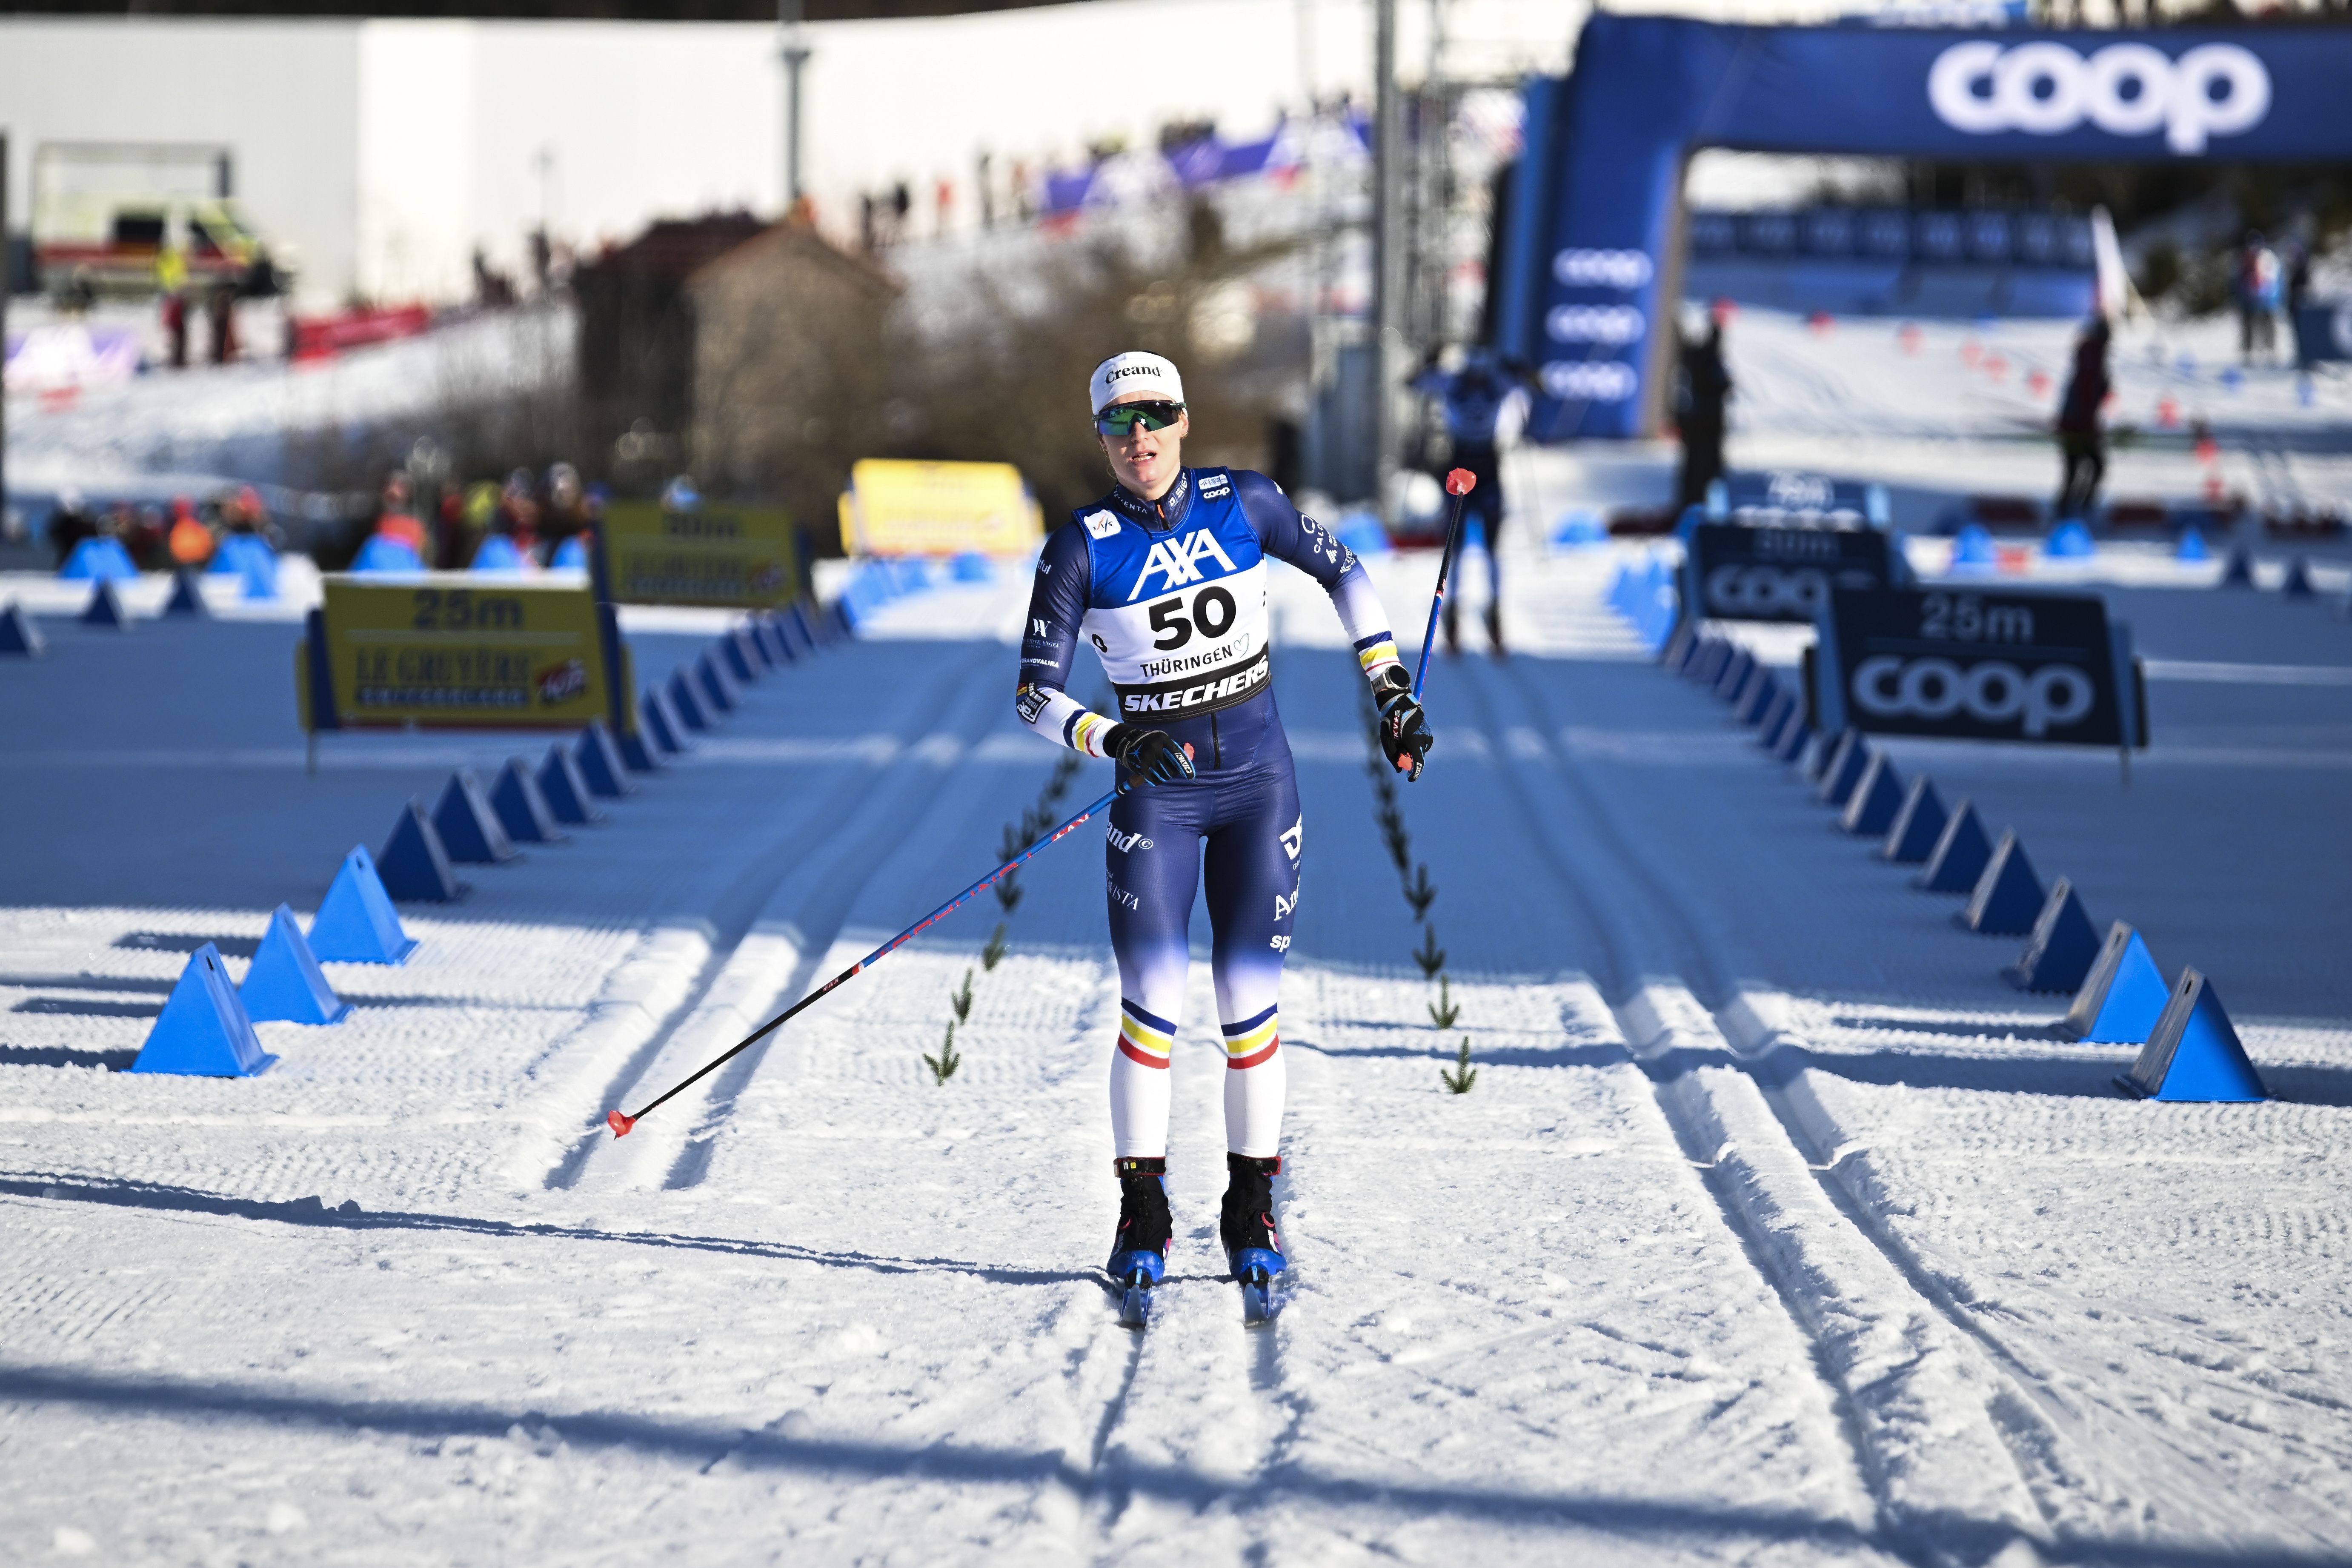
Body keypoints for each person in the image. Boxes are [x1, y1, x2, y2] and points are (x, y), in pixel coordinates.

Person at [1016, 351, 1433, 1308]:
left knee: (1251, 1013)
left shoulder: (1245, 500)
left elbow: (1346, 573)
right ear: (1102, 440)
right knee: (1152, 1008)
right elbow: (1034, 695)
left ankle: (1252, 1205)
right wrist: (1113, 738)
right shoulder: (1081, 544)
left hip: (1258, 788)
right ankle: (1141, 1211)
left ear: (1184, 419)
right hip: (1158, 798)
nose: (1140, 441)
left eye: (1155, 418)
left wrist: (1391, 690)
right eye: (1119, 426)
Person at [1408, 348, 1530, 657]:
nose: (1476, 383)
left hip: (1488, 468)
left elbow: (1536, 387)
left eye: (1480, 377)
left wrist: (1521, 370)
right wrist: (1427, 363)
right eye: (1471, 377)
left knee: (1492, 549)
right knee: (1456, 550)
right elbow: (1413, 385)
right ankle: (1453, 617)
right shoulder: (1453, 382)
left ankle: (1495, 615)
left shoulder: (1497, 382)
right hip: (1461, 466)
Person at [2054, 315, 2111, 524]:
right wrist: (2090, 429)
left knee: (2074, 470)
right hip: (2079, 425)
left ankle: (2068, 510)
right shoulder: (2093, 359)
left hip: (2074, 422)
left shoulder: (2090, 356)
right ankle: (2078, 510)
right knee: (2094, 467)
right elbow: (2087, 397)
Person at [1675, 310, 1733, 512]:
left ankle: (1694, 504)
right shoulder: (1709, 359)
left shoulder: (1691, 357)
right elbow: (1725, 385)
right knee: (1706, 468)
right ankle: (1701, 506)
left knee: (1695, 467)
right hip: (1708, 422)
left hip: (1697, 421)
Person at [2237, 232, 2280, 366]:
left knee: (2268, 326)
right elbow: (2240, 279)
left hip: (2267, 299)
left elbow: (2274, 278)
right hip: (2249, 300)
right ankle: (2249, 353)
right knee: (2249, 327)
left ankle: (2271, 351)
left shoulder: (2269, 258)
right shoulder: (2245, 259)